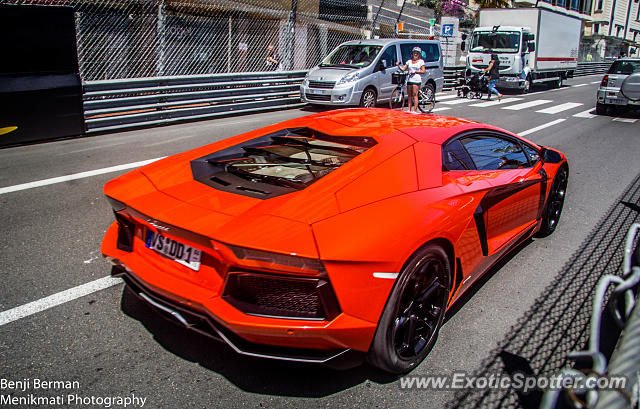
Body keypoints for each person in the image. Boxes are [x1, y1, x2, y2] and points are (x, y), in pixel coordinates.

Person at [397, 47, 426, 112]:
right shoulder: (409, 61)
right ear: (412, 54)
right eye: (414, 53)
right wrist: (398, 66)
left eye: (417, 53)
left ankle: (414, 110)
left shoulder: (421, 62)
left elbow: (423, 71)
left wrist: (415, 71)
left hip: (416, 80)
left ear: (419, 54)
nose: (415, 54)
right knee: (409, 95)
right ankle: (409, 109)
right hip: (410, 79)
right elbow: (403, 69)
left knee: (415, 95)